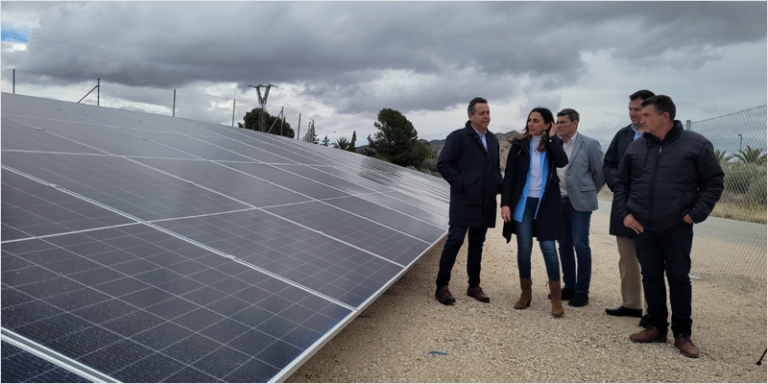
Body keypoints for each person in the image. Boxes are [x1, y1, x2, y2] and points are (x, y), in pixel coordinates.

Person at [613, 95, 724, 358]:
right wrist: (626, 215)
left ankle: (683, 334)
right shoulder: (636, 148)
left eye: (647, 115)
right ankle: (656, 326)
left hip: (677, 227)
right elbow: (621, 184)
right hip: (643, 227)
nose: (642, 119)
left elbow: (714, 182)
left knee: (678, 278)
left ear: (665, 117)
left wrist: (693, 215)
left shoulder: (695, 144)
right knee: (650, 276)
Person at [435, 97, 503, 305]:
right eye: (482, 113)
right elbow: (444, 164)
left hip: (485, 202)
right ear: (470, 115)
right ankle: (441, 286)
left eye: (488, 112)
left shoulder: (492, 140)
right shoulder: (458, 138)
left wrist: (497, 186)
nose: (486, 116)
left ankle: (474, 285)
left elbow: (494, 169)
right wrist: (463, 184)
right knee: (455, 241)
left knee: (477, 244)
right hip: (464, 201)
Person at [501, 107, 568, 317]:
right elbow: (509, 176)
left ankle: (556, 299)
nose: (531, 123)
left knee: (549, 248)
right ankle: (525, 294)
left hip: (546, 203)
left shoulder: (551, 145)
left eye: (536, 120)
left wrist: (554, 139)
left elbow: (562, 162)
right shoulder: (519, 146)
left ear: (547, 125)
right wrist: (505, 204)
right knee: (524, 249)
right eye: (529, 120)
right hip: (523, 203)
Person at [603, 89, 655, 325]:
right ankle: (632, 304)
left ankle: (655, 310)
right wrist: (617, 183)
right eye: (630, 109)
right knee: (627, 257)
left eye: (637, 109)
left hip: (653, 206)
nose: (633, 113)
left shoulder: (662, 135)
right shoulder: (623, 135)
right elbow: (610, 164)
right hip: (624, 203)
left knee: (653, 259)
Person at [554, 108, 605, 307]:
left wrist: (588, 192)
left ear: (575, 123)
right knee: (564, 245)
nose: (558, 125)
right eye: (557, 122)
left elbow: (599, 174)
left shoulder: (590, 144)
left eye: (563, 122)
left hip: (579, 203)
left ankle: (582, 291)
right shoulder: (555, 144)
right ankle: (569, 286)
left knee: (580, 245)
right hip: (558, 201)